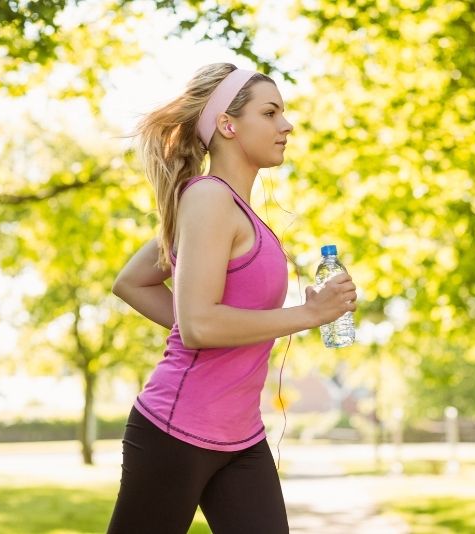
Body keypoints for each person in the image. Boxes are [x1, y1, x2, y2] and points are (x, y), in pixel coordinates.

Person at [106, 62, 357, 533]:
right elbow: (199, 325)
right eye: (270, 112)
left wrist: (315, 309)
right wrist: (308, 313)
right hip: (173, 431)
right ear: (228, 124)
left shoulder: (231, 210)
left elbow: (135, 282)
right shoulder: (207, 198)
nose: (287, 125)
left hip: (241, 437)